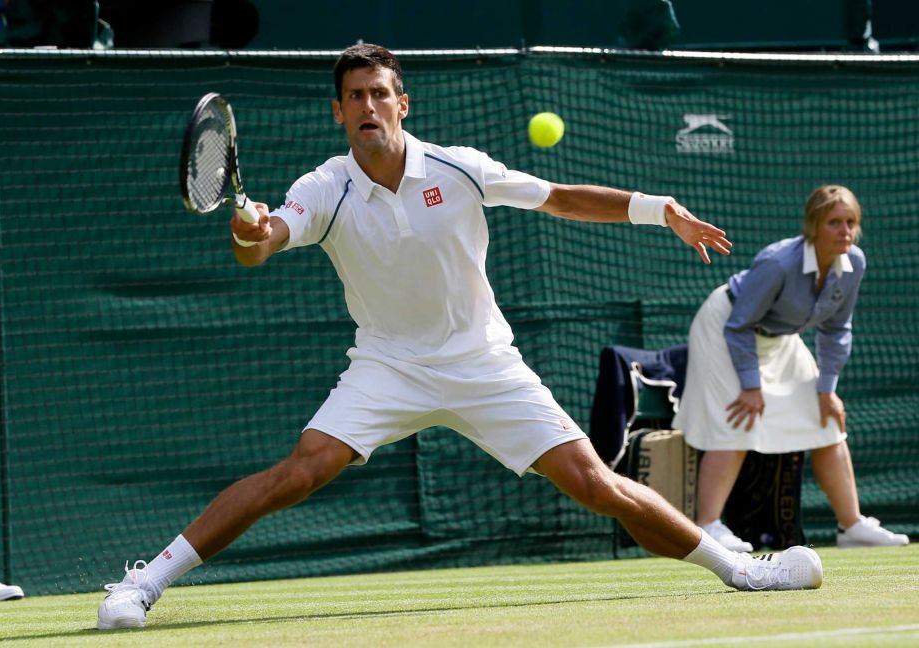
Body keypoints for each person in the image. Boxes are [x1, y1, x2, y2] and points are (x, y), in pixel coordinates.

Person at [97, 43, 822, 631]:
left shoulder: (459, 168)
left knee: (594, 483)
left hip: (481, 359)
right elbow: (262, 245)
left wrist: (658, 207)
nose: (369, 106)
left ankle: (744, 571)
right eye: (355, 97)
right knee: (298, 473)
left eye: (381, 93)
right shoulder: (325, 186)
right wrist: (247, 229)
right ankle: (144, 583)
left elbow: (559, 197)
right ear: (339, 113)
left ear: (402, 103)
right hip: (387, 364)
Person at [673, 185, 910, 553]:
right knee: (737, 418)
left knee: (826, 417)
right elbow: (738, 326)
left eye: (851, 223)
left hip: (779, 338)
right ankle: (709, 527)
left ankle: (852, 526)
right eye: (834, 222)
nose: (845, 231)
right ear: (814, 226)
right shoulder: (778, 262)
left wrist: (826, 388)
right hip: (726, 328)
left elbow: (837, 329)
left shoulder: (854, 263)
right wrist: (751, 387)